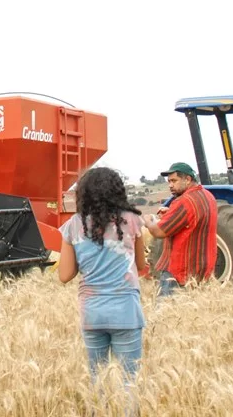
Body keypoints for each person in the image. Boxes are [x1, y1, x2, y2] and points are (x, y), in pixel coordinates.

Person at [58, 167, 148, 389]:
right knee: (129, 382)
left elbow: (64, 275)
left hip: (92, 313)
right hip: (126, 311)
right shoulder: (132, 220)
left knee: (98, 382)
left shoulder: (73, 225)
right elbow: (140, 265)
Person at [143, 162, 218, 296]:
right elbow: (193, 218)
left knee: (165, 313)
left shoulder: (184, 201)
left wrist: (149, 221)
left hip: (178, 272)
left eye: (174, 181)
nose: (170, 185)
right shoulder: (208, 196)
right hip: (201, 269)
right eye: (169, 181)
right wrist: (171, 212)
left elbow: (158, 232)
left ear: (188, 179)